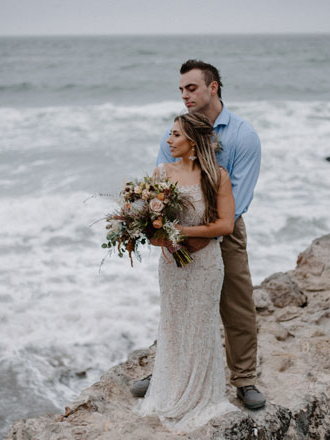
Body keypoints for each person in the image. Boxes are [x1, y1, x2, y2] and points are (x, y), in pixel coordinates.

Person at [131, 60, 265, 410]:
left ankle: (245, 378)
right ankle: (168, 372)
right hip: (178, 229)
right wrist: (165, 234)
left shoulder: (243, 135)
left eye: (191, 88)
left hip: (226, 227)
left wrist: (206, 234)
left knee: (236, 302)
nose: (184, 95)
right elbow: (160, 189)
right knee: (176, 303)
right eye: (181, 90)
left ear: (213, 87)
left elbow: (239, 195)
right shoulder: (174, 131)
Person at [134, 112, 239, 433]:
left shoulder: (216, 175)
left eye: (176, 135)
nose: (169, 140)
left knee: (202, 323)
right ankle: (171, 385)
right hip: (172, 264)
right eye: (170, 134)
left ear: (192, 141)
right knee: (174, 320)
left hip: (207, 262)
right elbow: (151, 228)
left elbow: (225, 224)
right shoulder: (161, 173)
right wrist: (162, 238)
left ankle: (200, 392)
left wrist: (187, 233)